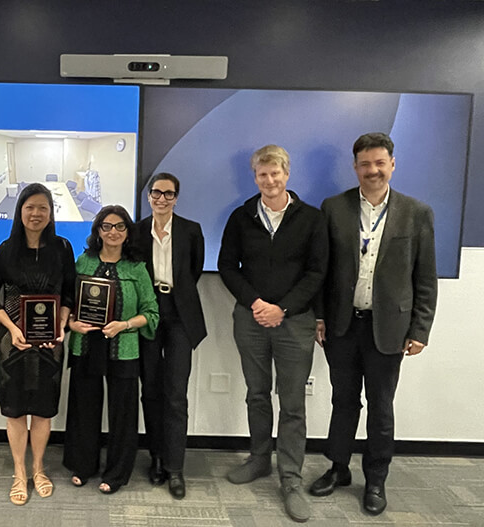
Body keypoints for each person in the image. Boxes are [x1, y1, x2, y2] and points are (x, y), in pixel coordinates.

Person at [309, 132, 438, 515]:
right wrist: (319, 315)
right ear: (355, 167)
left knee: (381, 406)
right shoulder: (334, 208)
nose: (373, 170)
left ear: (392, 165)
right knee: (343, 401)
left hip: (390, 329)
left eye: (380, 163)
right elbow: (322, 269)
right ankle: (338, 468)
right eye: (365, 164)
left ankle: (376, 479)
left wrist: (420, 330)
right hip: (342, 324)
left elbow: (425, 277)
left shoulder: (417, 212)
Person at [217, 145, 328, 522]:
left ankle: (291, 479)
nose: (269, 181)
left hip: (295, 321)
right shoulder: (241, 216)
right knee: (257, 394)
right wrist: (257, 304)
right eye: (262, 175)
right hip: (251, 319)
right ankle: (260, 459)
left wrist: (283, 308)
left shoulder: (311, 219)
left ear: (287, 174)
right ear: (255, 178)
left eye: (275, 174)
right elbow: (227, 266)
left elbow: (317, 272)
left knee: (293, 403)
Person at [0, 183, 76, 505]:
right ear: (20, 211)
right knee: (15, 410)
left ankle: (39, 469)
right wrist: (11, 328)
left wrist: (62, 323)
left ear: (51, 214)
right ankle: (19, 473)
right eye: (30, 208)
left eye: (43, 208)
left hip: (51, 344)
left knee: (43, 411)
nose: (36, 214)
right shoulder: (6, 249)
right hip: (14, 344)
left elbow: (69, 292)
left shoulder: (63, 248)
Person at [64, 205, 159, 495]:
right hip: (86, 346)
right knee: (84, 409)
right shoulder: (83, 262)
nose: (113, 232)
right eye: (107, 226)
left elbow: (152, 313)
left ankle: (116, 473)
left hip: (124, 348)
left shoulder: (137, 268)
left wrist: (125, 325)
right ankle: (83, 466)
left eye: (119, 226)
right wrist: (71, 324)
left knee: (122, 414)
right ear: (97, 231)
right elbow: (67, 302)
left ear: (128, 232)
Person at [137, 172, 206, 499]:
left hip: (180, 315)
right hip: (148, 312)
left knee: (176, 394)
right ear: (149, 197)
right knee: (150, 390)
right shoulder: (137, 232)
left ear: (176, 197)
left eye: (168, 194)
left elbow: (193, 271)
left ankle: (176, 468)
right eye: (156, 193)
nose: (161, 199)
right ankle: (157, 458)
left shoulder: (191, 231)